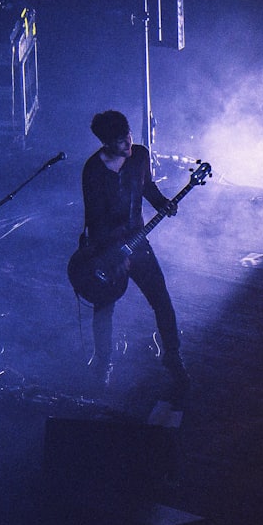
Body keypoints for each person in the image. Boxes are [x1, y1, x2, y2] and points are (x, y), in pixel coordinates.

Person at [81, 110, 189, 394]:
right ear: (106, 143)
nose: (128, 143)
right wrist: (114, 255)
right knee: (104, 308)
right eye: (120, 141)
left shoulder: (139, 156)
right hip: (107, 250)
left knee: (161, 299)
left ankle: (173, 356)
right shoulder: (93, 170)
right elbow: (95, 219)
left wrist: (162, 203)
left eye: (128, 135)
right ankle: (103, 364)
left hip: (138, 242)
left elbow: (147, 188)